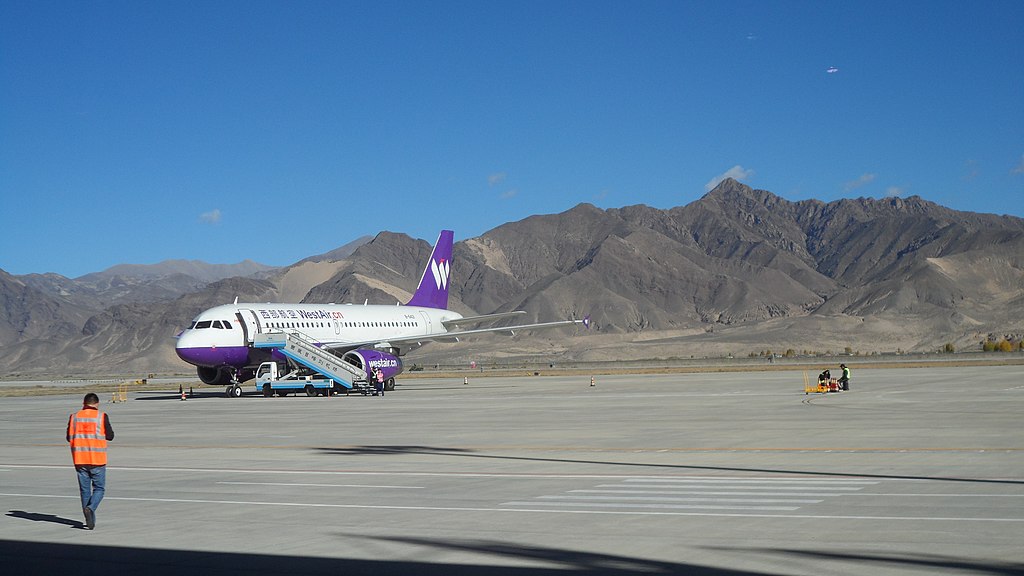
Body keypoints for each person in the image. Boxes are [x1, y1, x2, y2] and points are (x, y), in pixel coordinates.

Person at [67, 392, 114, 530]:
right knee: (99, 489)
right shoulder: (101, 416)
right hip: (97, 459)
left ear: (84, 403)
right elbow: (110, 436)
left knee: (84, 490)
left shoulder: (74, 417)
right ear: (97, 404)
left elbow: (68, 437)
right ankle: (91, 508)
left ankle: (89, 520)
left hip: (80, 459)